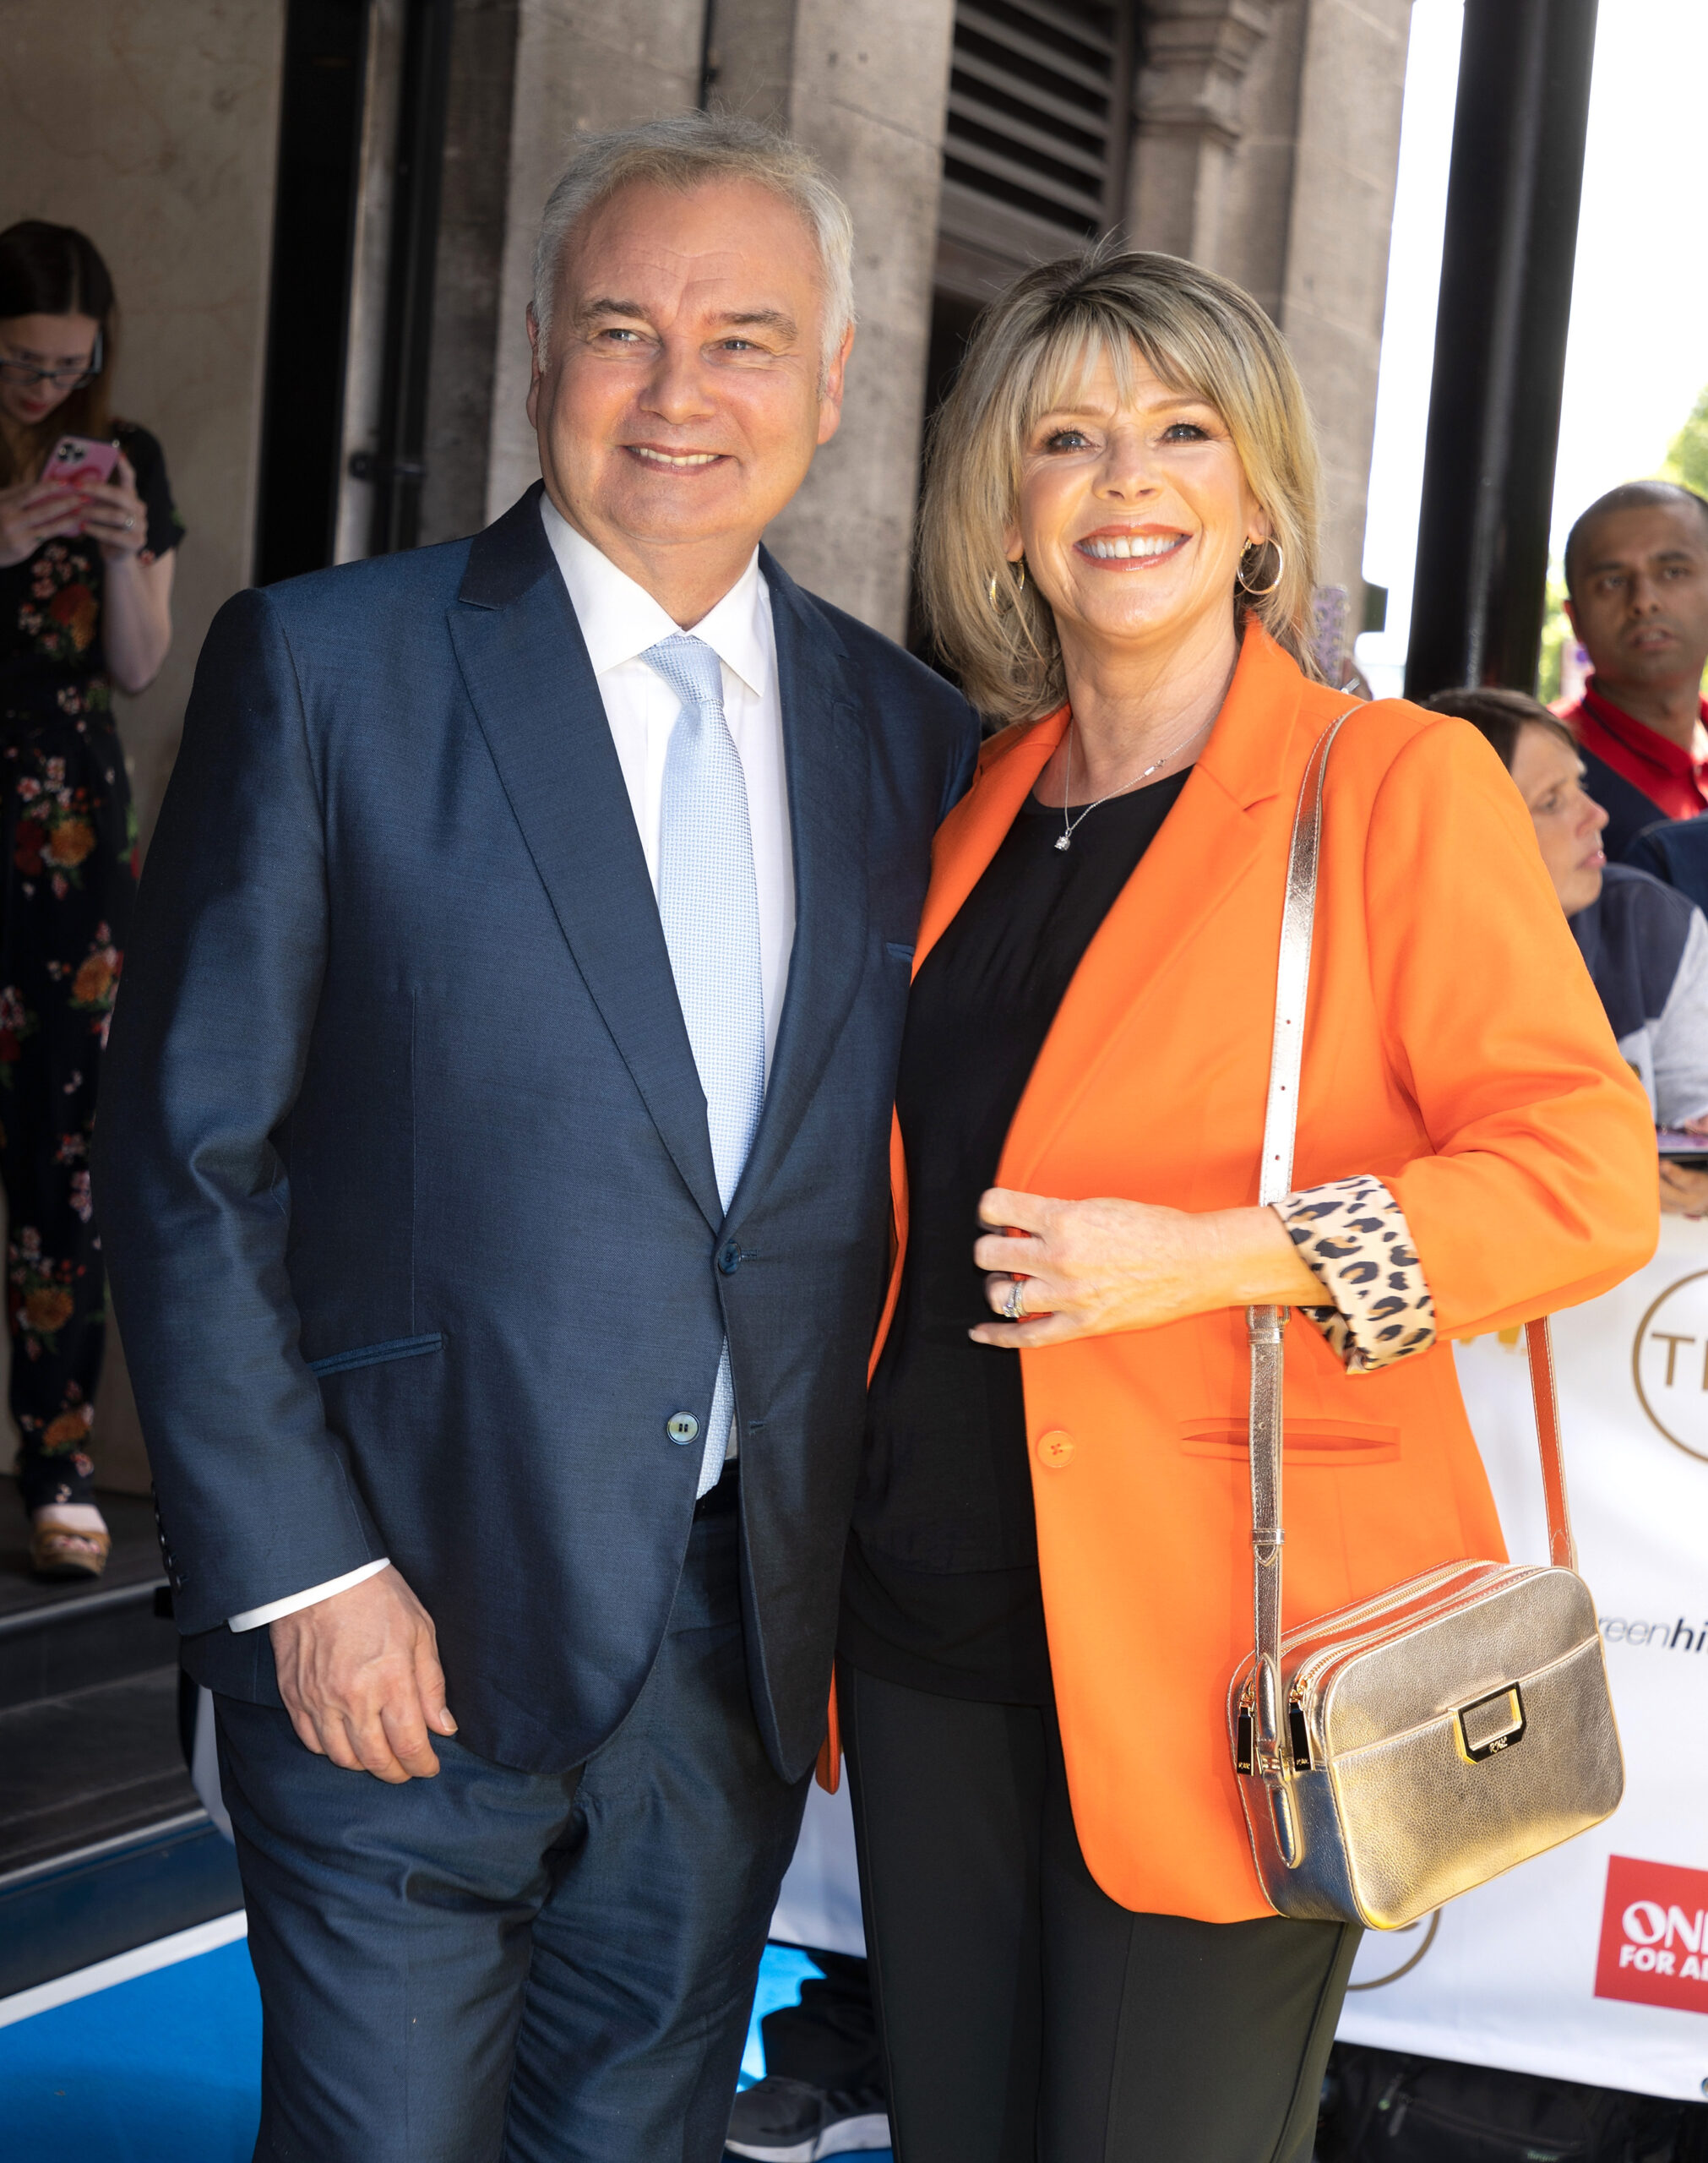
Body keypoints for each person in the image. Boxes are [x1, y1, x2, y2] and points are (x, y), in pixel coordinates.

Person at [94, 115, 976, 2163]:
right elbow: (187, 1147)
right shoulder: (328, 664)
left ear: (833, 383)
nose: (680, 395)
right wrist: (304, 1570)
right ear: (537, 361)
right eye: (623, 330)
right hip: (397, 1612)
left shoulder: (908, 738)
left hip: (727, 1647)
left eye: (744, 339)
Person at [835, 248, 1657, 2163]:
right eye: (1067, 437)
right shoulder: (973, 801)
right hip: (930, 1632)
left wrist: (1216, 1253)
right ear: (1007, 510)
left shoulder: (1383, 787)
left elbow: (1578, 1172)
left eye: (1178, 430)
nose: (1124, 478)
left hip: (1229, 1650)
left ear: (1256, 497)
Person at [0, 221, 179, 1578]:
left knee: (69, 1153)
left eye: (70, 364)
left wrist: (122, 550)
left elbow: (136, 667)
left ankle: (57, 1461)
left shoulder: (131, 461)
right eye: (20, 364)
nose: (45, 391)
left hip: (68, 840)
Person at [1424, 686, 1708, 1218]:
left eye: (1579, 785)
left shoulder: (1648, 924)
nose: (1596, 814)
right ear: (1463, 828)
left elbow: (1696, 1109)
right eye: (1552, 802)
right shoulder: (1390, 965)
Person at [1555, 479, 1708, 858]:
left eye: (1673, 572)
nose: (1643, 602)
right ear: (1575, 619)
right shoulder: (1536, 767)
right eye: (1612, 581)